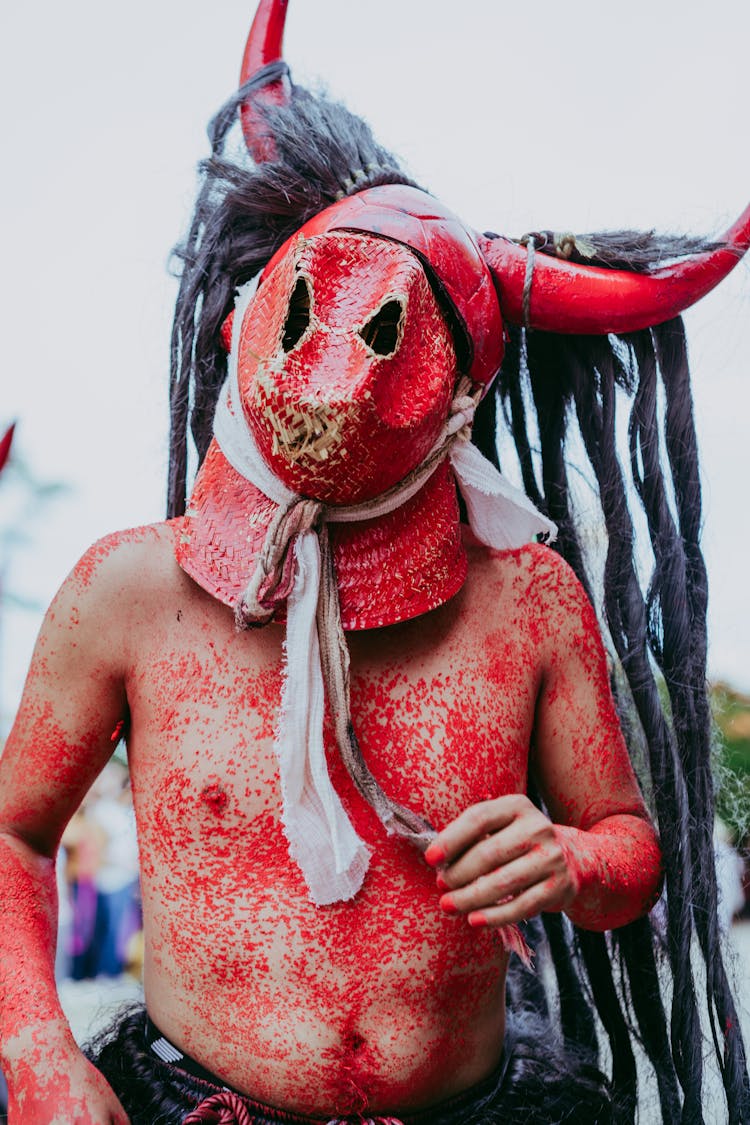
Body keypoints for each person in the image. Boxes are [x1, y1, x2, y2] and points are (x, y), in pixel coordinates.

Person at [0, 2, 748, 1122]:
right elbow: (13, 830)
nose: (339, 368)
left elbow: (627, 852)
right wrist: (36, 1049)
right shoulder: (128, 592)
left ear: (463, 396)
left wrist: (572, 862)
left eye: (388, 337)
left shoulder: (529, 598)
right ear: (239, 324)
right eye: (305, 316)